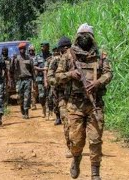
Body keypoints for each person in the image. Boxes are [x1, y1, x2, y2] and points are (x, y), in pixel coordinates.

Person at [55, 23, 113, 179]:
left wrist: (98, 82)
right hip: (75, 105)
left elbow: (108, 74)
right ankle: (76, 160)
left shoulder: (101, 56)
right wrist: (71, 74)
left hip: (95, 104)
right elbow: (56, 77)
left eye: (88, 36)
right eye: (82, 36)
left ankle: (95, 173)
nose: (85, 39)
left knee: (95, 140)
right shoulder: (68, 56)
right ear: (77, 37)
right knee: (76, 141)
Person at [47, 37, 73, 158]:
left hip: (76, 96)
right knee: (67, 122)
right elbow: (50, 77)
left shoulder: (75, 58)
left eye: (68, 47)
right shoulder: (55, 61)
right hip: (62, 96)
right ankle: (70, 147)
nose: (67, 50)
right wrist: (60, 81)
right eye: (65, 48)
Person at [11, 42, 34, 119]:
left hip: (27, 79)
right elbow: (12, 69)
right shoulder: (16, 58)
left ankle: (26, 112)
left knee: (27, 96)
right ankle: (22, 109)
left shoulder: (29, 58)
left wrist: (34, 81)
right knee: (20, 97)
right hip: (19, 80)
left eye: (23, 49)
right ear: (19, 50)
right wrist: (13, 60)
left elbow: (32, 70)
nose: (22, 50)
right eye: (21, 49)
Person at [34, 41, 52, 118]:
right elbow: (34, 66)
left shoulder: (51, 56)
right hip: (40, 78)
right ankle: (43, 108)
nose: (42, 48)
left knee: (50, 95)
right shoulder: (38, 56)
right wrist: (43, 69)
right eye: (41, 46)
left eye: (43, 46)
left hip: (50, 78)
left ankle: (50, 112)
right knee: (41, 96)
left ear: (47, 47)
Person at [45, 45, 60, 123]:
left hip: (63, 82)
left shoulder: (64, 58)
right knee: (53, 99)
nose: (55, 52)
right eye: (54, 51)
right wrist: (47, 81)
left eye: (56, 50)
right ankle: (57, 116)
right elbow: (47, 71)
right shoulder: (50, 60)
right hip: (53, 82)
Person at [28, 45, 38, 110]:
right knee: (30, 91)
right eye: (30, 50)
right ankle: (31, 104)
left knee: (35, 91)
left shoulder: (37, 57)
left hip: (36, 76)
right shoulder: (27, 57)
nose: (31, 52)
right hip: (29, 76)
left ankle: (34, 103)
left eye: (32, 50)